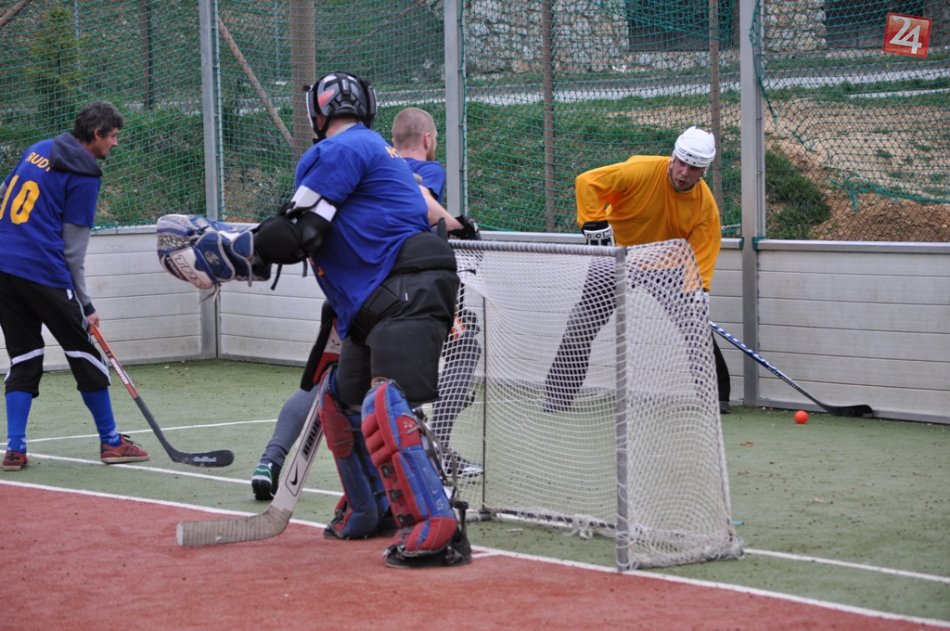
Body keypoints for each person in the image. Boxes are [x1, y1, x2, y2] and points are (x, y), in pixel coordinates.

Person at [159, 75, 471, 568]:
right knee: (339, 400)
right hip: (379, 296)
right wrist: (253, 248)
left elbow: (301, 233)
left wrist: (233, 247)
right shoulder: (375, 150)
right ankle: (371, 509)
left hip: (403, 287)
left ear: (317, 113)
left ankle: (437, 526)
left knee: (386, 402)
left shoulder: (343, 148)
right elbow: (313, 230)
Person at [250, 106, 483, 503]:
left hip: (347, 294)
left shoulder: (363, 157)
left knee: (328, 382)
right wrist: (460, 225)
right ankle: (435, 458)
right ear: (428, 139)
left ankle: (271, 459)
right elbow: (423, 199)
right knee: (445, 358)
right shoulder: (418, 170)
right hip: (392, 291)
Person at [0, 101, 150, 470]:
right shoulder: (85, 174)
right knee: (85, 353)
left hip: (4, 268)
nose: (115, 143)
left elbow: (3, 192)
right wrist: (86, 305)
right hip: (44, 272)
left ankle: (15, 449)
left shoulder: (39, 149)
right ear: (96, 134)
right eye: (112, 136)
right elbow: (73, 252)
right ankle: (111, 442)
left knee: (24, 355)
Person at [543, 126, 732, 414]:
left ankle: (716, 398)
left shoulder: (705, 208)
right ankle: (558, 396)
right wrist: (593, 222)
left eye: (693, 168)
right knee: (582, 323)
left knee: (696, 326)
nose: (684, 172)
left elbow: (704, 252)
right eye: (681, 163)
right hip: (617, 256)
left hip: (668, 265)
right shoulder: (640, 170)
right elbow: (587, 181)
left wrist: (699, 289)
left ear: (703, 171)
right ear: (673, 157)